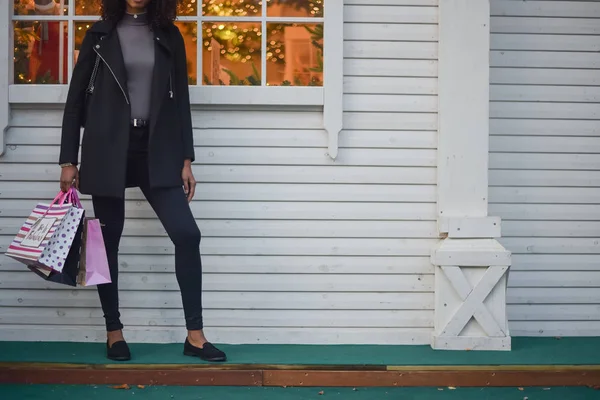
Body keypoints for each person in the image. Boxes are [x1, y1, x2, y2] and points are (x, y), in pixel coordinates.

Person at [58, 0, 226, 362]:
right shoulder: (99, 35)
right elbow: (75, 101)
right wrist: (68, 159)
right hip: (107, 147)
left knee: (187, 234)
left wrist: (186, 158)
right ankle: (114, 332)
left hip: (157, 147)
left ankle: (195, 336)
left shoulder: (169, 34)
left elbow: (181, 98)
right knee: (108, 244)